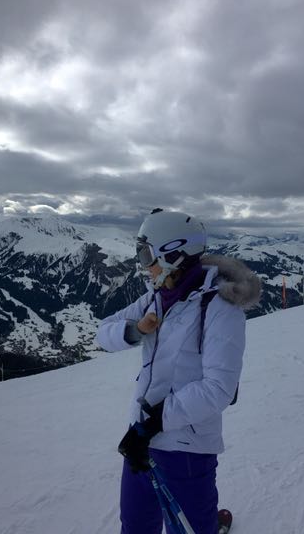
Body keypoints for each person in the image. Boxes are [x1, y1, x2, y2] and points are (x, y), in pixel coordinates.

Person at [95, 209, 261, 534]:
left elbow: (219, 388)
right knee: (135, 525)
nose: (144, 264)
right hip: (140, 438)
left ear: (173, 252)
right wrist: (135, 330)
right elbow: (104, 332)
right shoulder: (157, 298)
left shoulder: (220, 308)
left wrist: (157, 421)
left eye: (147, 254)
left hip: (185, 448)